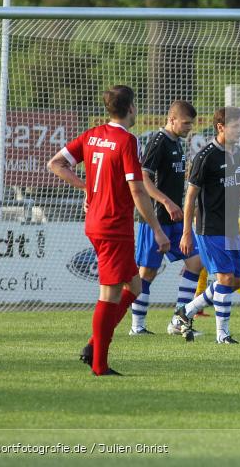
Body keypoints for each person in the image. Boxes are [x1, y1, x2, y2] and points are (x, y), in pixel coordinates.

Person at [47, 85, 170, 376]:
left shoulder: (92, 135)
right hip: (114, 224)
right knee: (109, 294)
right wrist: (157, 229)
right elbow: (137, 190)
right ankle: (99, 365)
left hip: (98, 222)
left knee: (135, 286)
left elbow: (56, 164)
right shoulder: (128, 140)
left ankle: (94, 345)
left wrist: (87, 188)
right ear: (131, 108)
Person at [173, 107, 240, 343]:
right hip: (209, 228)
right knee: (226, 279)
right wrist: (187, 232)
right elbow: (190, 198)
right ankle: (223, 335)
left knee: (235, 281)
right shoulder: (205, 157)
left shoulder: (238, 153)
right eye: (235, 126)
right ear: (220, 127)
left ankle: (185, 312)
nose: (239, 131)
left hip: (231, 227)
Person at [125, 100, 206, 337]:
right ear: (172, 119)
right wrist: (166, 202)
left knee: (195, 261)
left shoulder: (178, 143)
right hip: (155, 219)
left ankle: (178, 320)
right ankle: (137, 326)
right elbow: (143, 178)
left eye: (191, 123)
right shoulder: (158, 142)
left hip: (175, 219)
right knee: (147, 272)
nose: (189, 127)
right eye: (185, 123)